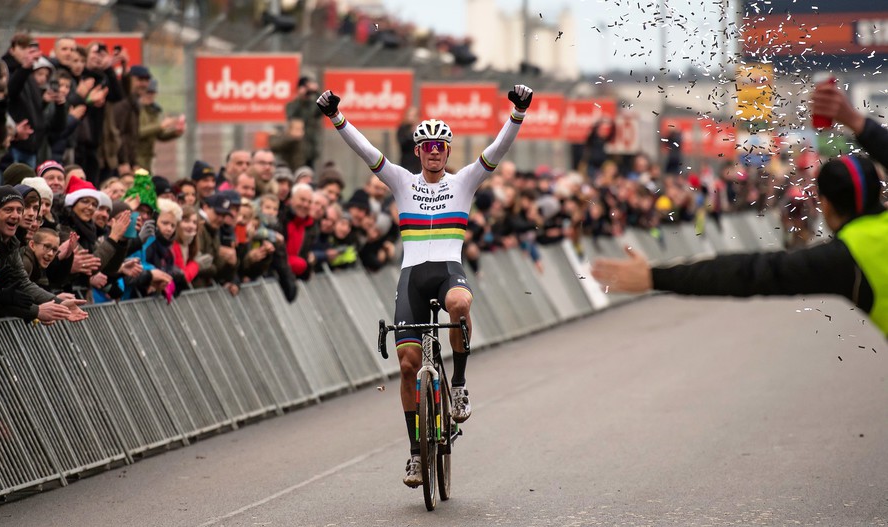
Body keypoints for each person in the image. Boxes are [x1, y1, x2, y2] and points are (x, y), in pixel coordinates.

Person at [318, 83, 533, 487]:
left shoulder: (465, 183)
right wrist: (335, 117)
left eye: (440, 145)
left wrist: (518, 113)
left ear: (448, 151)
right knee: (406, 366)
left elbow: (498, 151)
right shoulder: (401, 182)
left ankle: (460, 385)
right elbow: (366, 151)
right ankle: (416, 455)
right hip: (413, 278)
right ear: (417, 151)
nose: (434, 150)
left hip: (448, 271)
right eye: (427, 145)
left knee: (459, 304)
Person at [590, 154, 887, 337]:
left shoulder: (844, 258)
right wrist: (859, 125)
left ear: (825, 204)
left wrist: (656, 276)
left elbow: (748, 273)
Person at [0, 185, 87, 322]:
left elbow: (22, 283)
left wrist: (58, 303)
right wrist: (37, 311)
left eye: (19, 210)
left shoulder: (12, 242)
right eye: (8, 210)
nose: (16, 215)